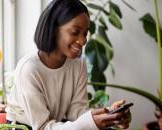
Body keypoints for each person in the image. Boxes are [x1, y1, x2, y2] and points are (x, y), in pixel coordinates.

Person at [8, 0, 131, 129]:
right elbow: (42, 127)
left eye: (85, 33)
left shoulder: (78, 64)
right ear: (54, 29)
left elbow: (77, 113)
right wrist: (92, 122)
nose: (83, 40)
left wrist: (109, 115)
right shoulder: (29, 69)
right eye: (74, 32)